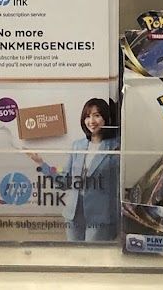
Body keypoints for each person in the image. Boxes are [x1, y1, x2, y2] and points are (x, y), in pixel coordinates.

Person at [28, 99, 120, 242]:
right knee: (74, 257)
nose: (92, 121)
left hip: (100, 215)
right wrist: (42, 164)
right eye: (88, 116)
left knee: (93, 259)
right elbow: (65, 181)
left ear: (106, 118)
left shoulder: (116, 147)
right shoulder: (78, 146)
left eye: (97, 115)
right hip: (73, 213)